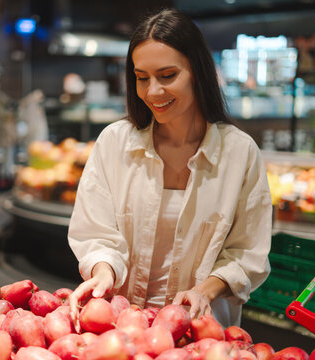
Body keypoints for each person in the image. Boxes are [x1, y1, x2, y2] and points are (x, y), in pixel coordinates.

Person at [67, 8, 272, 330]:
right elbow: (95, 233)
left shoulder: (239, 152)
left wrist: (205, 290)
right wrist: (103, 271)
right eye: (141, 78)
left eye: (167, 76)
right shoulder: (114, 143)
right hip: (120, 331)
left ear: (198, 72)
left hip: (200, 331)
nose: (152, 92)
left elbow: (247, 253)